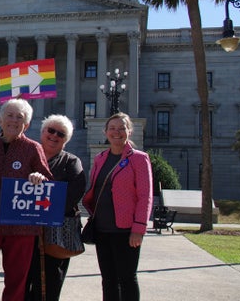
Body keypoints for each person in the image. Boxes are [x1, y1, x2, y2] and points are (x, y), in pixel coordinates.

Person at [0, 97, 53, 301]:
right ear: (0, 120)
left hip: (20, 227)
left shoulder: (33, 148)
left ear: (27, 124)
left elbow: (48, 180)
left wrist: (39, 177)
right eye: (10, 115)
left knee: (17, 280)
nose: (14, 121)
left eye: (20, 117)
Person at [82, 112, 153, 301]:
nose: (117, 132)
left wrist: (139, 228)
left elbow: (145, 196)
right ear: (105, 132)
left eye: (122, 128)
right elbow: (96, 190)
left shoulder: (139, 158)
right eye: (112, 128)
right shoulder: (100, 158)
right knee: (108, 280)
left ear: (129, 131)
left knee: (127, 279)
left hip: (126, 231)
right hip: (102, 229)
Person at [25, 115, 87, 301]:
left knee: (50, 284)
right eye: (50, 130)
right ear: (42, 132)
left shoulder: (71, 162)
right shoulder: (28, 157)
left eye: (60, 133)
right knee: (23, 282)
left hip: (56, 234)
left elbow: (75, 191)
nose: (54, 136)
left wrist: (46, 213)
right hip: (25, 232)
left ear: (66, 140)